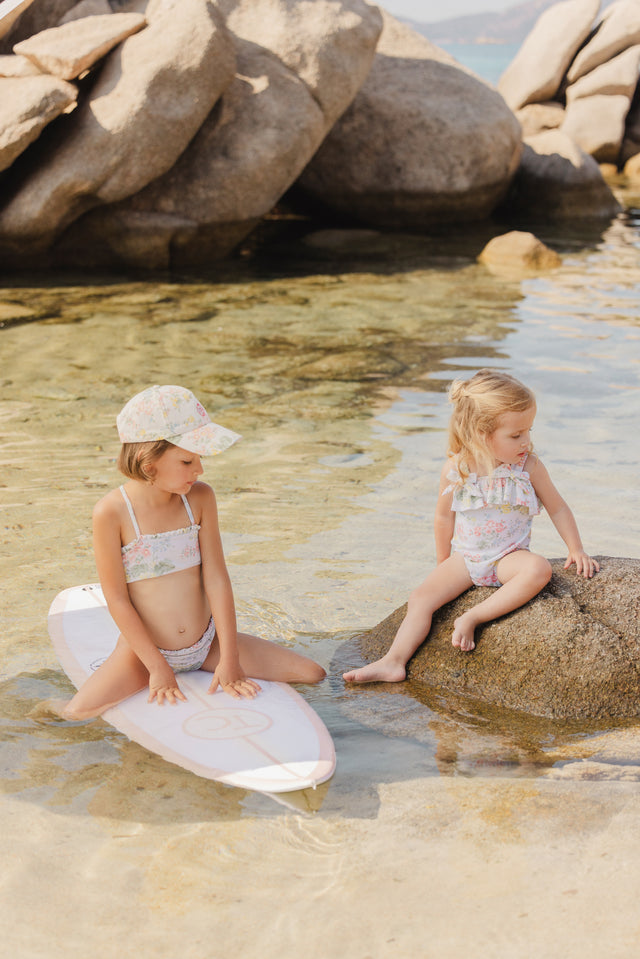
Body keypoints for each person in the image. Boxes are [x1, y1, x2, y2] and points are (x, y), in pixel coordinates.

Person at [59, 384, 325, 720]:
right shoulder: (111, 513)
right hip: (144, 654)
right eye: (187, 460)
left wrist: (230, 658)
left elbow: (216, 577)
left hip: (208, 644)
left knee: (312, 674)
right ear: (147, 460)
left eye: (199, 459)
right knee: (74, 715)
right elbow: (118, 599)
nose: (199, 470)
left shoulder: (199, 498)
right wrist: (157, 667)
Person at [343, 369, 599, 685]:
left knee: (538, 570)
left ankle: (474, 616)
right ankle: (393, 661)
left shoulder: (528, 467)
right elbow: (443, 518)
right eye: (516, 435)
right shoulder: (457, 468)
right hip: (466, 559)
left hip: (508, 558)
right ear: (481, 434)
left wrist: (575, 548)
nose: (527, 441)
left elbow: (558, 507)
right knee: (421, 598)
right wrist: (442, 564)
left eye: (528, 430)